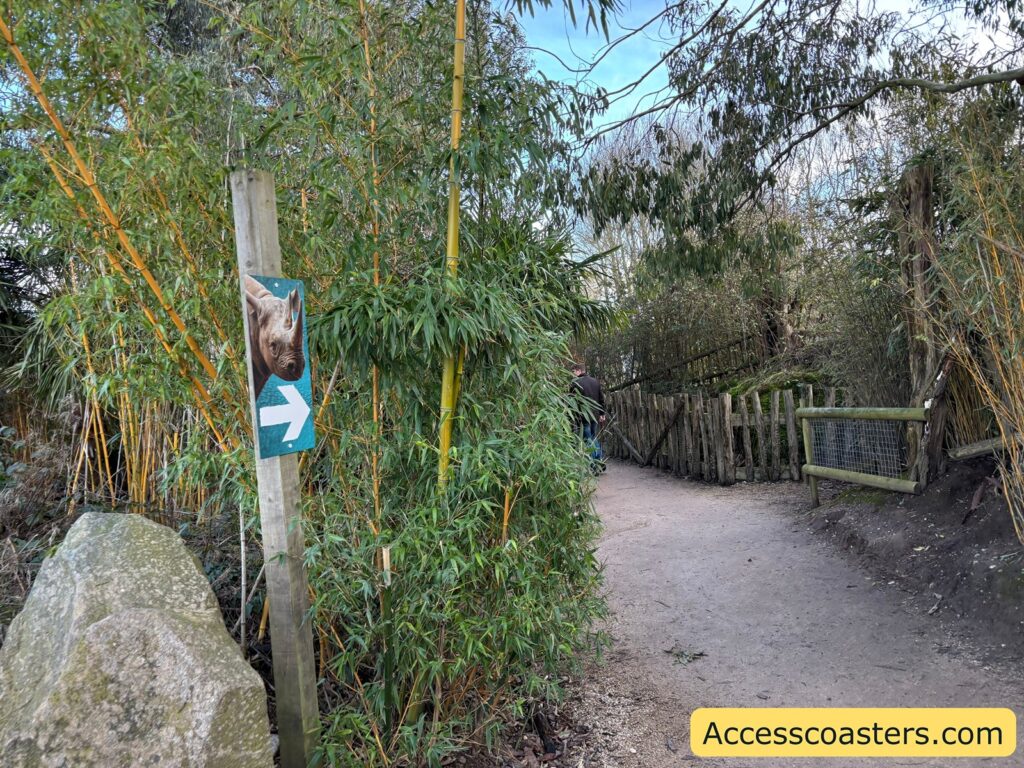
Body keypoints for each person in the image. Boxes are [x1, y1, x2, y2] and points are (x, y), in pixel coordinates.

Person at [570, 362, 606, 474]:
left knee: (588, 439)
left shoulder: (575, 383)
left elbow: (572, 401)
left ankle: (594, 465)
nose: (573, 374)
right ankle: (599, 461)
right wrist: (602, 413)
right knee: (593, 437)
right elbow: (601, 399)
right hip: (594, 415)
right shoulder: (595, 381)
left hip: (583, 416)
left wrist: (572, 417)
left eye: (574, 372)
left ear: (578, 370)